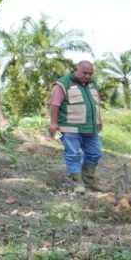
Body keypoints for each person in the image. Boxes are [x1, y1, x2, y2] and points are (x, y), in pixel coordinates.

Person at [48, 61, 104, 193]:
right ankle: (77, 182)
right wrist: (53, 123)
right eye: (85, 73)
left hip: (90, 128)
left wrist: (99, 121)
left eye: (90, 73)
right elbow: (54, 105)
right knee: (73, 154)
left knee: (95, 153)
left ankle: (88, 180)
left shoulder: (92, 84)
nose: (87, 76)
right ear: (75, 70)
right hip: (70, 128)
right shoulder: (62, 84)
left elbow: (95, 105)